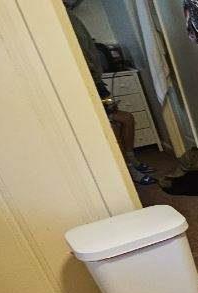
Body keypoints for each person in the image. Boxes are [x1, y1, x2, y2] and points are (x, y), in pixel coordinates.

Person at [66, 2, 156, 185]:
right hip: (84, 86)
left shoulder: (72, 18)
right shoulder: (60, 19)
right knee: (114, 125)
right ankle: (127, 169)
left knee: (127, 118)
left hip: (97, 83)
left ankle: (131, 159)